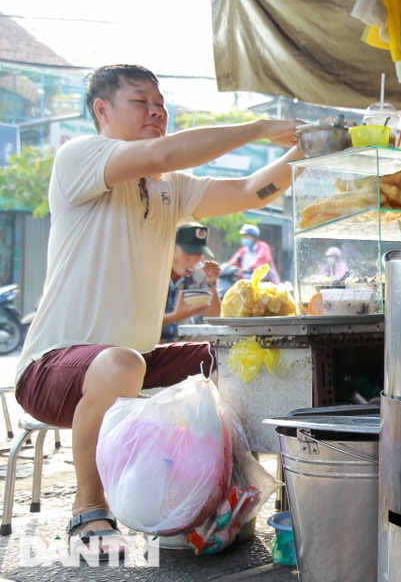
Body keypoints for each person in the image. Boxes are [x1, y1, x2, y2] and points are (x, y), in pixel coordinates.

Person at [14, 64, 302, 561]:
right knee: (123, 361)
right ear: (102, 111)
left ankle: (226, 499)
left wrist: (313, 149)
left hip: (136, 362)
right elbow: (164, 151)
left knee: (232, 356)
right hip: (52, 370)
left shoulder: (168, 186)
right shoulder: (80, 156)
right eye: (141, 101)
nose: (157, 111)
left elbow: (251, 190)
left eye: (161, 103)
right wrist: (259, 128)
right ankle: (88, 509)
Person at [160, 223, 222, 342]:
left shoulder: (199, 274)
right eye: (188, 252)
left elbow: (214, 318)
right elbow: (137, 322)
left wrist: (212, 283)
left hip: (183, 340)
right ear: (171, 248)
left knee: (218, 339)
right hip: (150, 341)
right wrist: (174, 317)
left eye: (198, 254)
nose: (193, 260)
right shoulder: (153, 273)